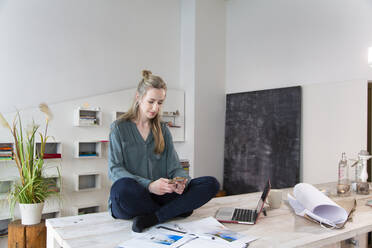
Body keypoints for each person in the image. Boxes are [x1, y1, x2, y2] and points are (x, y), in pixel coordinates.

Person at [108, 70, 220, 233]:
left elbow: (174, 167)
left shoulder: (163, 130)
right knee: (122, 188)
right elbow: (115, 170)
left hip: (161, 196)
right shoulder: (118, 128)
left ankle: (154, 218)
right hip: (134, 197)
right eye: (151, 101)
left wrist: (181, 181)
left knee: (211, 184)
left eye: (160, 103)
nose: (155, 108)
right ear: (138, 98)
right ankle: (176, 209)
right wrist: (149, 186)